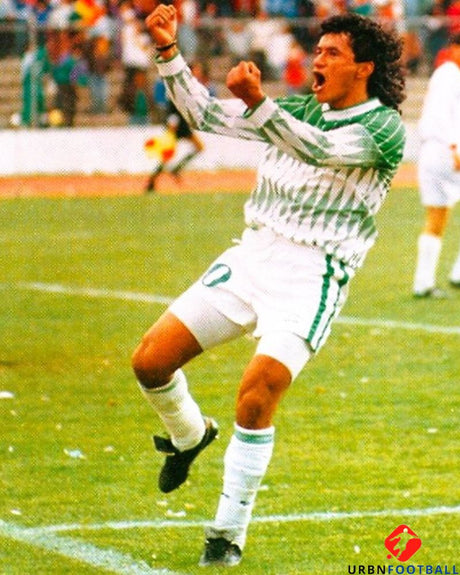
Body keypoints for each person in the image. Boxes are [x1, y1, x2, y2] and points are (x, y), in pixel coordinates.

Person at [132, 4, 405, 567]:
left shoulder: (384, 128)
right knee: (149, 362)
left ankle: (226, 535)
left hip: (313, 274)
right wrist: (168, 51)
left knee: (257, 394)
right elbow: (204, 115)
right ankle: (189, 436)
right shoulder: (298, 107)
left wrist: (260, 105)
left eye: (332, 53)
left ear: (364, 68)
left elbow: (319, 149)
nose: (317, 60)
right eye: (318, 50)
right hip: (253, 255)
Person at [412, 34, 460, 298]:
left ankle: (423, 282)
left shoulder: (445, 74)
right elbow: (442, 115)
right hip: (445, 150)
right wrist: (454, 147)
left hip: (434, 151)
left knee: (436, 216)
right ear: (454, 49)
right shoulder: (450, 74)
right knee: (436, 215)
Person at [145, 61, 213, 192]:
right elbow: (173, 103)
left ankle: (171, 171)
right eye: (196, 70)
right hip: (177, 124)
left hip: (183, 123)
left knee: (198, 147)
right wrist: (173, 121)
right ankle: (154, 180)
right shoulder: (182, 85)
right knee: (168, 154)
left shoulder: (191, 85)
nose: (198, 73)